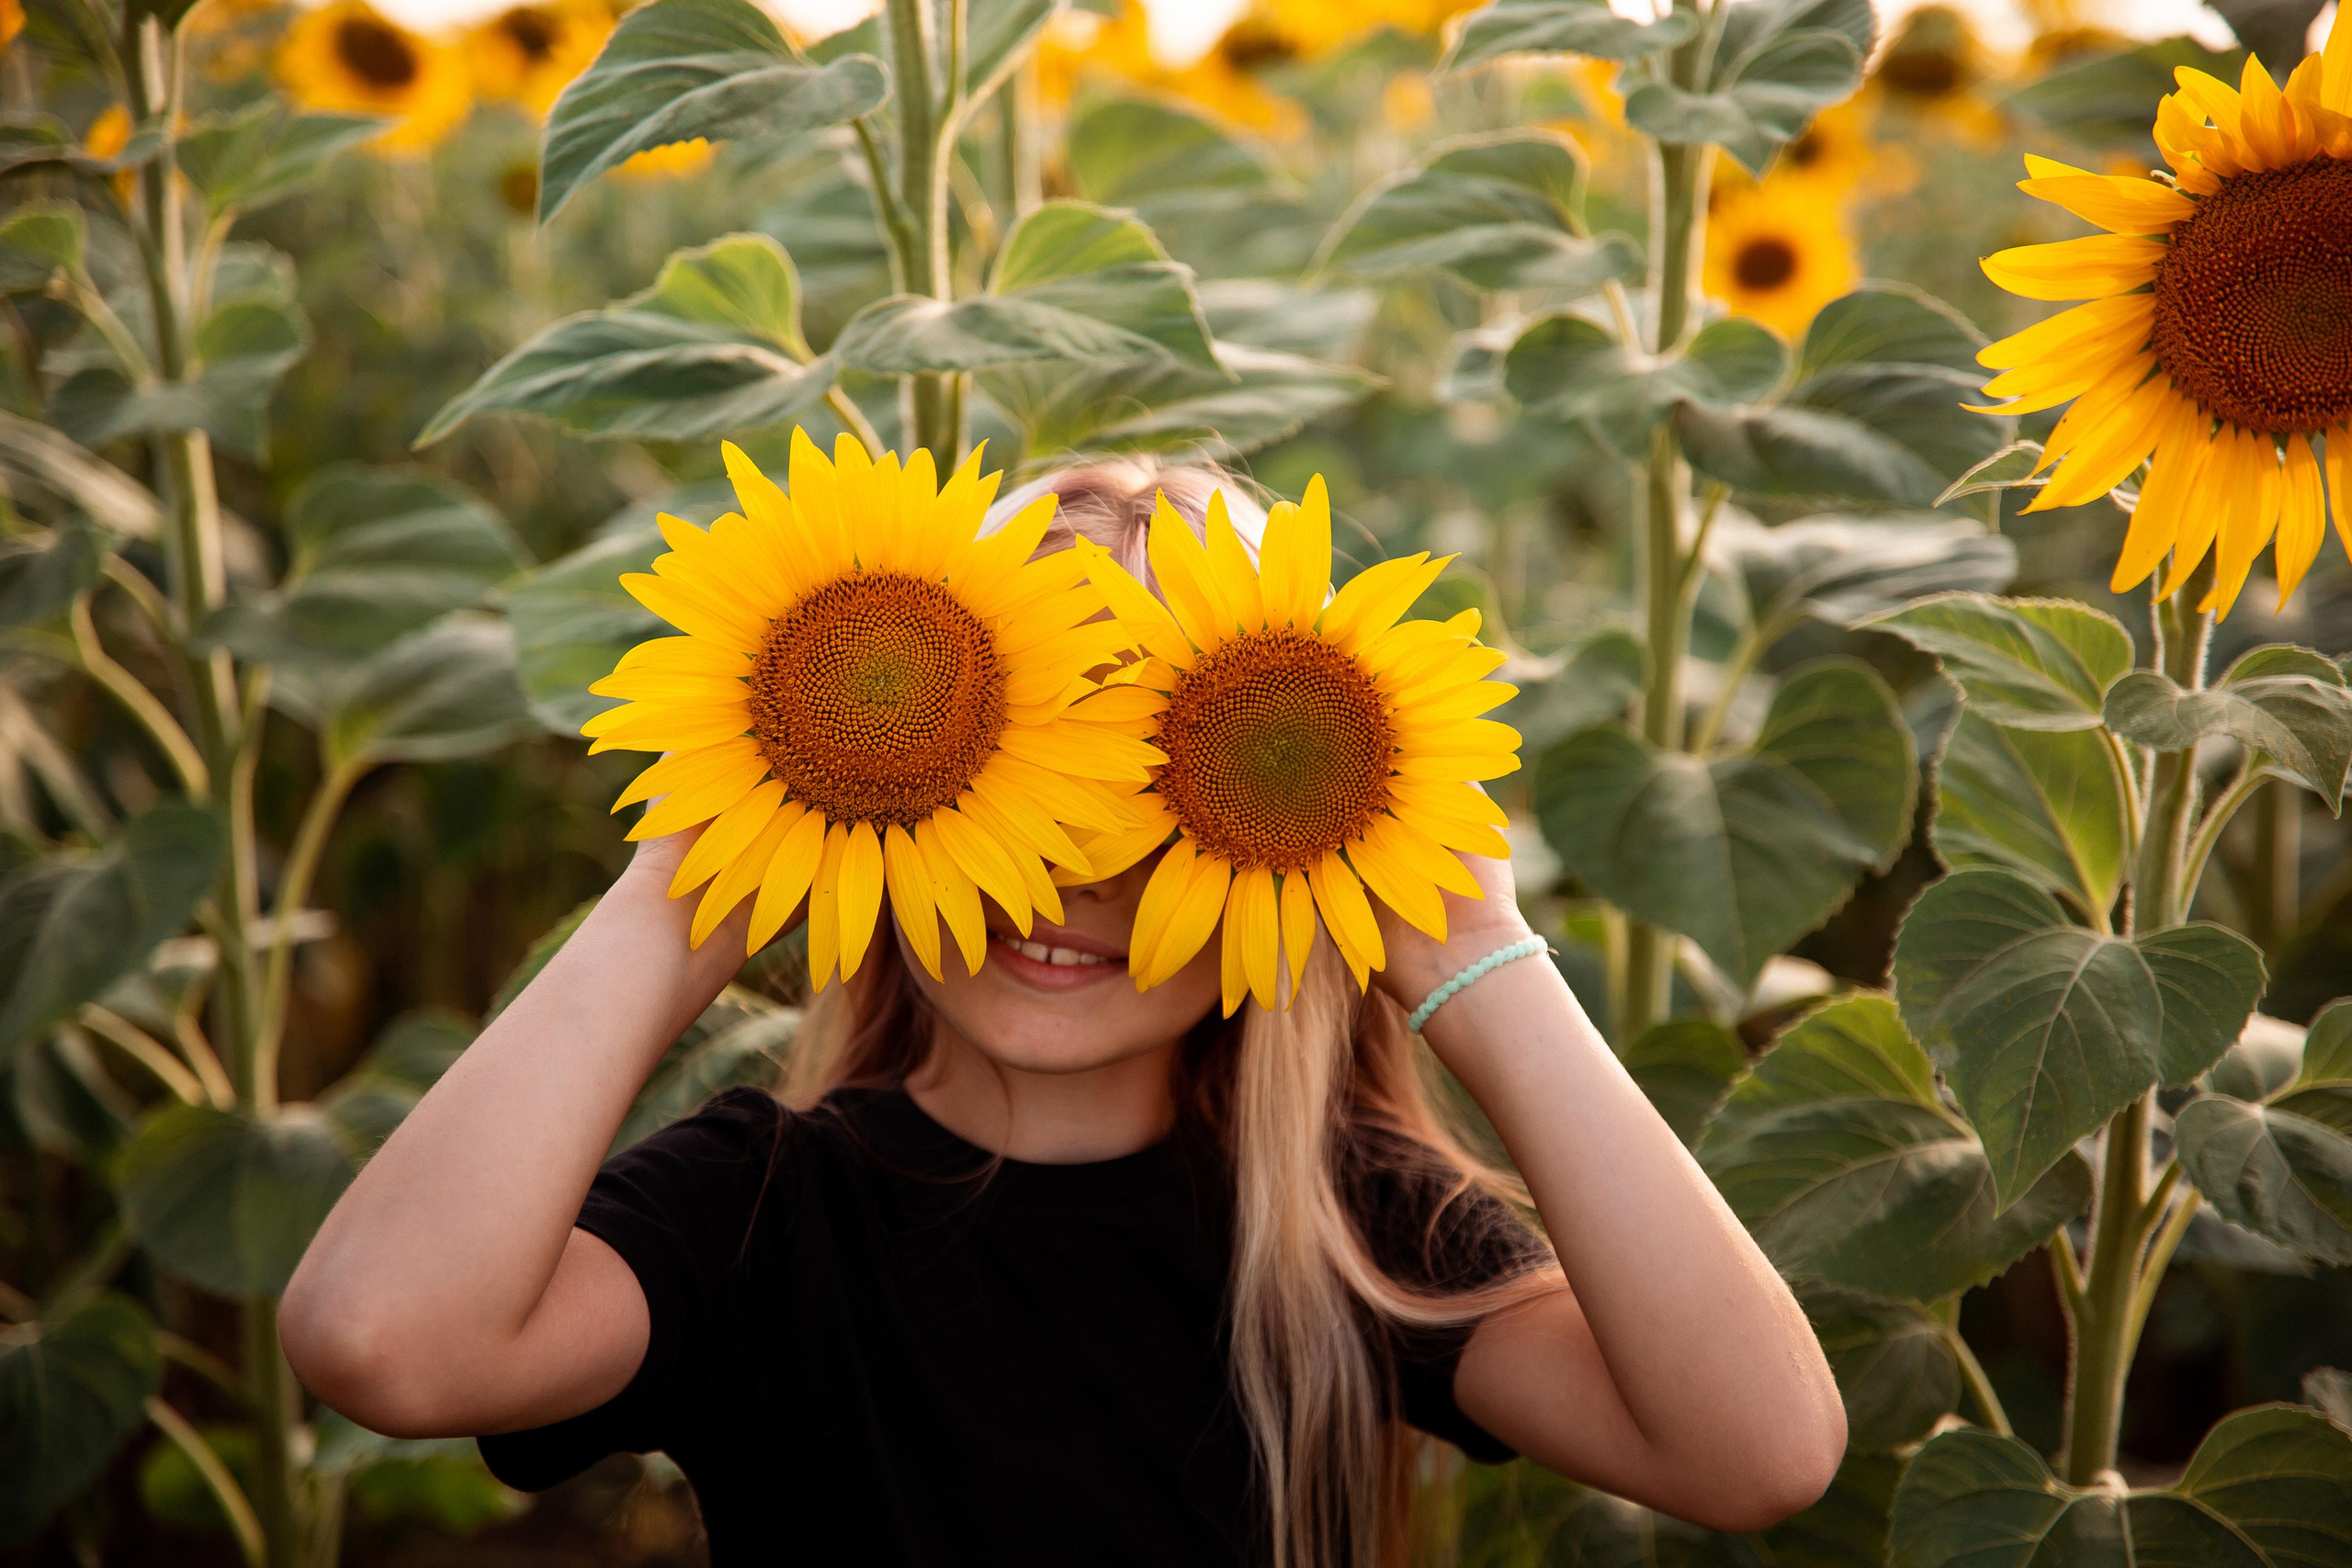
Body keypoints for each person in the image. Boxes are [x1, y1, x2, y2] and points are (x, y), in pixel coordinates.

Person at [281, 459, 1846, 1568]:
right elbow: (380, 1343)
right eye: (1015, 786)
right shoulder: (764, 1209)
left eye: (1168, 804)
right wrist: (706, 860)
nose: (1080, 882)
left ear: (1290, 851)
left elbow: (1759, 1452)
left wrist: (1468, 943)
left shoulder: (1335, 1230)